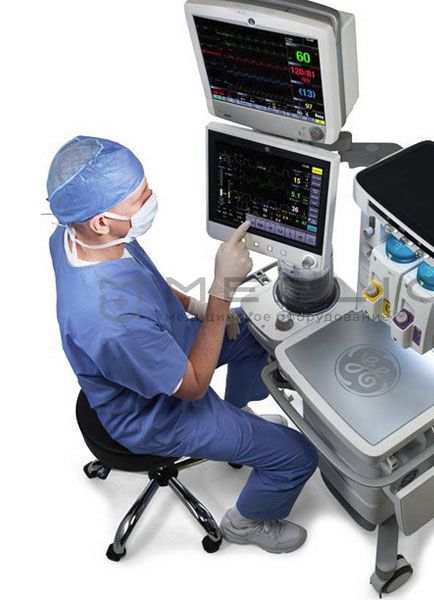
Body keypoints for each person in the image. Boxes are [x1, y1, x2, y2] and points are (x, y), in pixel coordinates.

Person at [47, 135, 318, 553]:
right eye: (139, 198)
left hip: (164, 343)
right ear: (101, 220)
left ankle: (238, 414)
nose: (150, 198)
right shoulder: (111, 321)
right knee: (298, 455)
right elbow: (191, 386)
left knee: (257, 329)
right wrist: (222, 290)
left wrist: (197, 306)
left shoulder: (78, 236)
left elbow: (143, 283)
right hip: (160, 414)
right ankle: (247, 522)